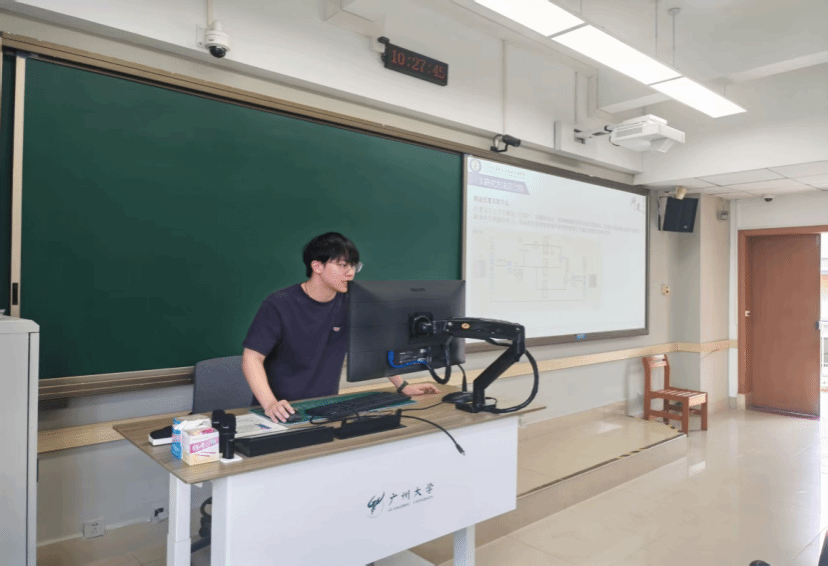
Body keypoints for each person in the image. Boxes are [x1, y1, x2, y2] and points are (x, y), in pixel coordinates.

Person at [242, 232, 440, 422]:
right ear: (317, 266)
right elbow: (252, 358)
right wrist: (270, 404)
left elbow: (375, 349)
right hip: (280, 411)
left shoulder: (351, 303)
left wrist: (402, 386)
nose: (350, 272)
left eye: (354, 266)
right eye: (343, 265)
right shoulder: (279, 304)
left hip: (326, 407)